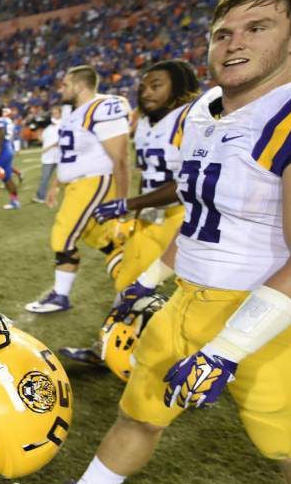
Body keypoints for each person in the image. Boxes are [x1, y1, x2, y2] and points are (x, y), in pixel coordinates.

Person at [14, 0, 291, 484]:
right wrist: (145, 283)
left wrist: (227, 349)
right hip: (191, 295)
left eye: (257, 27)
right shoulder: (202, 113)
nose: (234, 43)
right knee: (141, 406)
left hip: (278, 310)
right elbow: (196, 216)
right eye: (222, 32)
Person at [60, 61, 200, 366]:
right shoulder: (150, 121)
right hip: (152, 216)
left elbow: (187, 183)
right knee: (129, 284)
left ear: (178, 87)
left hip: (185, 217)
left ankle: (195, 364)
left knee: (197, 296)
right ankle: (107, 349)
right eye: (143, 86)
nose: (146, 92)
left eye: (156, 85)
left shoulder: (192, 118)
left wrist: (128, 204)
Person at [25, 65, 131, 313]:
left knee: (63, 237)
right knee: (100, 238)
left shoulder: (101, 107)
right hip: (77, 184)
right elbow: (67, 154)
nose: (61, 88)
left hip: (94, 181)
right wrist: (55, 184)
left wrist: (121, 203)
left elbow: (121, 158)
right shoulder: (73, 112)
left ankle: (60, 296)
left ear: (80, 86)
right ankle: (133, 286)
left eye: (65, 84)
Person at [33, 106, 63, 204]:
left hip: (60, 157)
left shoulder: (64, 125)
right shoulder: (48, 128)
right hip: (48, 157)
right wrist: (37, 134)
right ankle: (40, 196)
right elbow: (43, 140)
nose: (54, 115)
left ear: (60, 114)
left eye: (56, 113)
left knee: (65, 178)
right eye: (52, 113)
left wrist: (49, 147)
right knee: (45, 178)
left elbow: (61, 141)